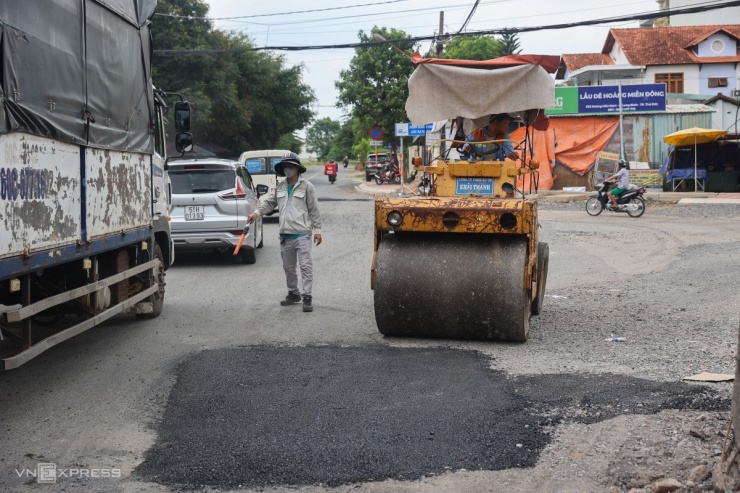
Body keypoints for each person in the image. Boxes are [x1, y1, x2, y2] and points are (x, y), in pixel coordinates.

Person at [247, 152, 322, 312]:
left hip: (302, 234)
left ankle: (307, 297)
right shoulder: (280, 187)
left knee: (305, 266)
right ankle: (293, 293)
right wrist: (256, 213)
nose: (287, 169)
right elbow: (269, 203)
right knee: (288, 268)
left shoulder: (307, 187)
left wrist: (318, 230)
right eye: (285, 166)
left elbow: (314, 209)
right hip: (285, 235)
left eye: (290, 165)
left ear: (297, 168)